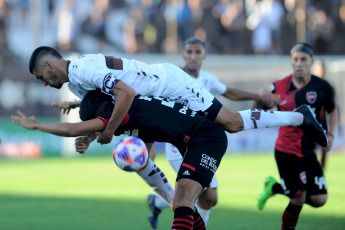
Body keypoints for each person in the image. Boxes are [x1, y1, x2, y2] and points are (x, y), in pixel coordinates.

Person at [28, 46, 328, 150]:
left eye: (41, 77)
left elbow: (126, 92)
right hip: (155, 99)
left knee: (232, 123)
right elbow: (110, 105)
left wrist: (104, 132)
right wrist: (92, 131)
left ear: (49, 65)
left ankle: (299, 116)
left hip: (170, 86)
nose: (43, 84)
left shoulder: (81, 69)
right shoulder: (79, 84)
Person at [12, 90, 229, 230]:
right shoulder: (127, 105)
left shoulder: (118, 114)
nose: (100, 127)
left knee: (181, 198)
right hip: (195, 140)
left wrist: (37, 126)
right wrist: (89, 135)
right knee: (182, 201)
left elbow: (72, 129)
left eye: (97, 124)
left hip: (205, 138)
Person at [147, 37, 282, 228]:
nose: (193, 56)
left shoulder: (207, 78)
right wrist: (149, 144)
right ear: (183, 54)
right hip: (179, 148)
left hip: (201, 144)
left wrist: (258, 97)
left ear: (204, 55)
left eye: (197, 52)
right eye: (189, 52)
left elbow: (229, 92)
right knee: (196, 196)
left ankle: (157, 203)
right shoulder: (173, 77)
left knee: (208, 198)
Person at [253, 43, 337, 230]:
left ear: (311, 62)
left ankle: (274, 187)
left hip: (308, 152)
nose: (299, 63)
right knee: (299, 197)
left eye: (303, 60)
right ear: (291, 61)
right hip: (286, 151)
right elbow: (255, 109)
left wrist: (330, 134)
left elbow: (333, 110)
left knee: (319, 199)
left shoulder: (323, 87)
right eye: (295, 59)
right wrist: (261, 96)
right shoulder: (279, 86)